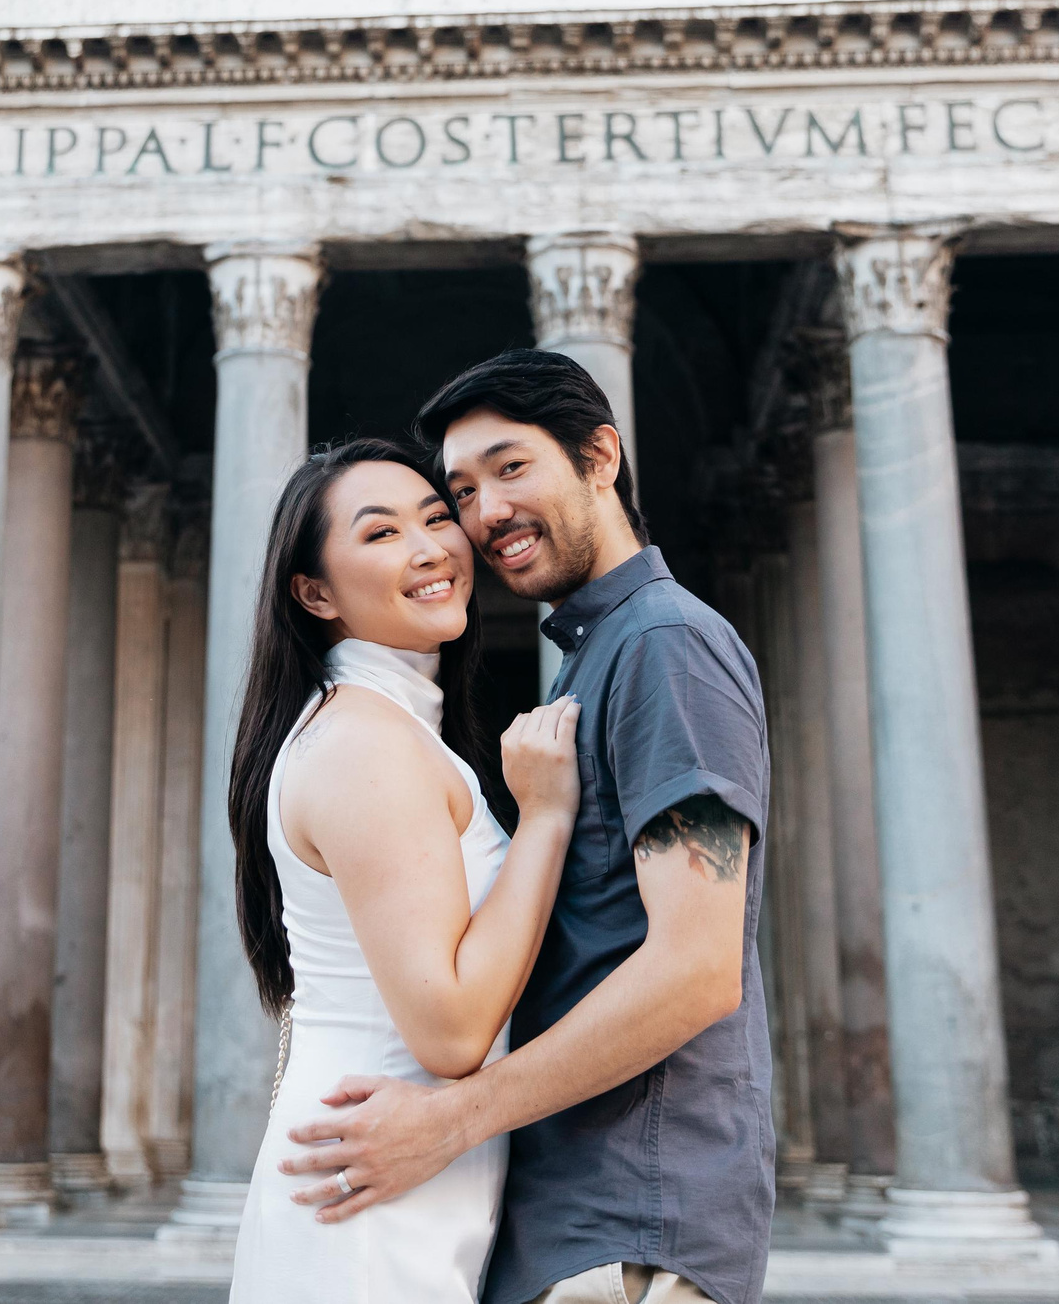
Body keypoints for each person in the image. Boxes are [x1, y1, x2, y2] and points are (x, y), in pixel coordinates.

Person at [279, 351, 774, 1304]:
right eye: (462, 489)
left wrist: (454, 1119)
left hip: (634, 1219)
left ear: (600, 456)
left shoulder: (664, 645)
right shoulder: (599, 656)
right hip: (580, 1217)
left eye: (511, 468)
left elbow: (698, 966)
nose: (484, 512)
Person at [230, 438, 583, 1303]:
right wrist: (545, 817)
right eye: (381, 533)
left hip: (392, 1181)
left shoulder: (382, 728)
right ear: (314, 592)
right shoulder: (363, 743)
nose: (431, 547)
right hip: (368, 1202)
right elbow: (453, 1029)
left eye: (435, 517)